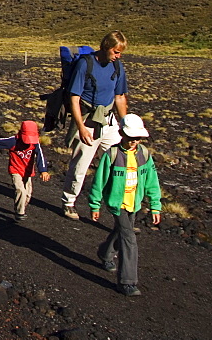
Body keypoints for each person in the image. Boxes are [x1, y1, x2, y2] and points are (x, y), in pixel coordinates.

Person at [88, 113, 161, 296]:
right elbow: (99, 181)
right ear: (121, 133)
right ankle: (127, 282)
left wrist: (155, 205)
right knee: (129, 239)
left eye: (137, 138)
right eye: (130, 138)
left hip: (134, 203)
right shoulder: (112, 155)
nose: (133, 142)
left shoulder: (144, 155)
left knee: (121, 231)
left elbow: (152, 181)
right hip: (117, 204)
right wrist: (95, 204)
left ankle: (105, 253)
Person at [60, 31, 129, 220]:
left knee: (119, 162)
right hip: (88, 121)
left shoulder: (118, 66)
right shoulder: (86, 64)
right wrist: (81, 127)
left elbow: (120, 97)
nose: (118, 56)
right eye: (116, 52)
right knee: (81, 165)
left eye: (120, 53)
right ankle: (69, 202)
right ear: (106, 47)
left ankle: (117, 204)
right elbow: (74, 99)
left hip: (108, 121)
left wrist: (126, 126)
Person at [0, 120, 51, 222]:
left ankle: (20, 206)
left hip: (28, 172)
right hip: (15, 170)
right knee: (20, 190)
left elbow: (40, 156)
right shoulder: (13, 141)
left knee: (27, 194)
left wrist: (43, 170)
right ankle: (20, 212)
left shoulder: (35, 143)